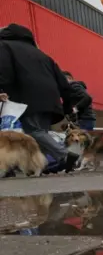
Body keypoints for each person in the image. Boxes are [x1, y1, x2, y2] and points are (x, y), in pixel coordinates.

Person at [0, 24, 79, 172]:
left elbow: (4, 71)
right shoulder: (42, 54)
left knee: (33, 131)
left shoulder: (4, 46)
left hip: (26, 97)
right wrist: (67, 106)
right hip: (50, 99)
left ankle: (66, 155)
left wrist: (2, 89)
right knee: (39, 133)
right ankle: (40, 166)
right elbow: (63, 82)